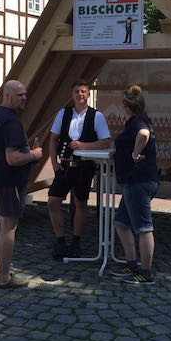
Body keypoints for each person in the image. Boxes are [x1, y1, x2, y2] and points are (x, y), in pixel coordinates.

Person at [0, 80, 43, 288]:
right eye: (20, 95)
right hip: (11, 181)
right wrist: (34, 154)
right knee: (9, 226)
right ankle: (4, 278)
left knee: (1, 222)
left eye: (25, 94)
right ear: (7, 96)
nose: (24, 98)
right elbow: (13, 158)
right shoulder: (11, 122)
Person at [47, 79, 111, 259]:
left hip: (85, 166)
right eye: (76, 91)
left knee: (81, 203)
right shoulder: (63, 113)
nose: (80, 94)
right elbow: (53, 139)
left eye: (83, 91)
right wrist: (54, 164)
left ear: (88, 94)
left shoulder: (97, 116)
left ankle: (76, 241)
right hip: (65, 166)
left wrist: (84, 146)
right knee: (53, 201)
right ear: (72, 94)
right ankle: (60, 240)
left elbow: (106, 142)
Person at [109, 85, 159, 284]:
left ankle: (146, 272)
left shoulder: (138, 122)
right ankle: (131, 263)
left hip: (138, 181)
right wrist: (122, 153)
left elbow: (143, 135)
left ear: (126, 107)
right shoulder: (140, 120)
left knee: (143, 227)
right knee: (121, 223)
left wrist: (134, 154)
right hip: (136, 182)